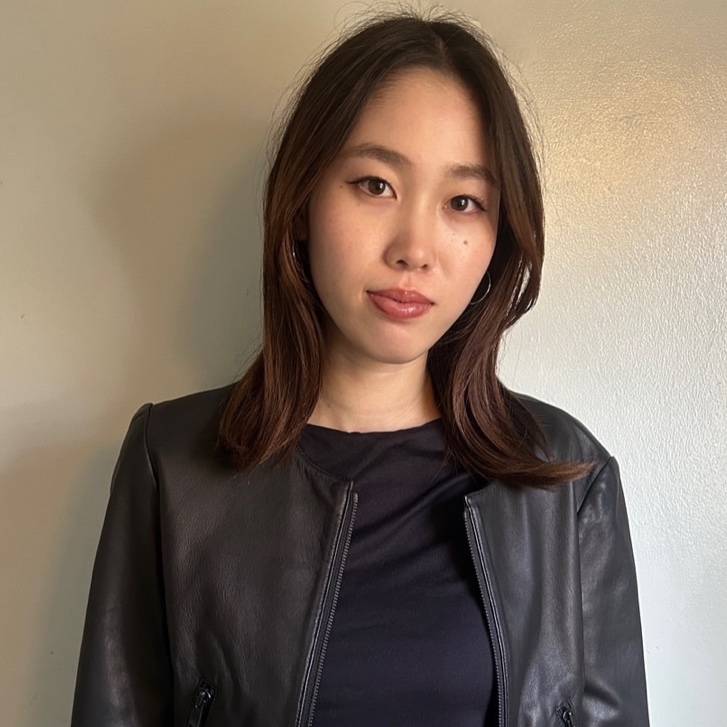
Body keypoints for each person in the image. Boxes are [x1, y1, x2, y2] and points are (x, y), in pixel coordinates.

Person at [71, 8, 649, 727]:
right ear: (302, 202)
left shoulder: (565, 478)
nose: (415, 248)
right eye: (376, 184)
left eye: (463, 201)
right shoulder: (173, 462)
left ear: (497, 235)